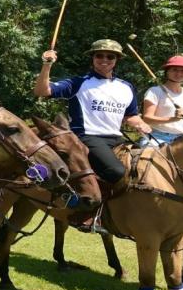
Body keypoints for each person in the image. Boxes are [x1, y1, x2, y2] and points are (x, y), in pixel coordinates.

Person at [34, 39, 152, 232]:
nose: (104, 59)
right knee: (115, 172)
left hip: (117, 139)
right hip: (87, 138)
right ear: (92, 58)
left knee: (143, 169)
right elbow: (41, 91)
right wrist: (47, 65)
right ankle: (89, 213)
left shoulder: (126, 87)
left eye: (110, 56)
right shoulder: (78, 83)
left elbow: (131, 116)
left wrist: (141, 124)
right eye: (99, 55)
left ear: (116, 60)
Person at [142, 55, 183, 144]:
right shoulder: (155, 91)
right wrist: (172, 119)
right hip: (159, 137)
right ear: (167, 71)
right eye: (174, 69)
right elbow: (147, 118)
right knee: (149, 156)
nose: (178, 73)